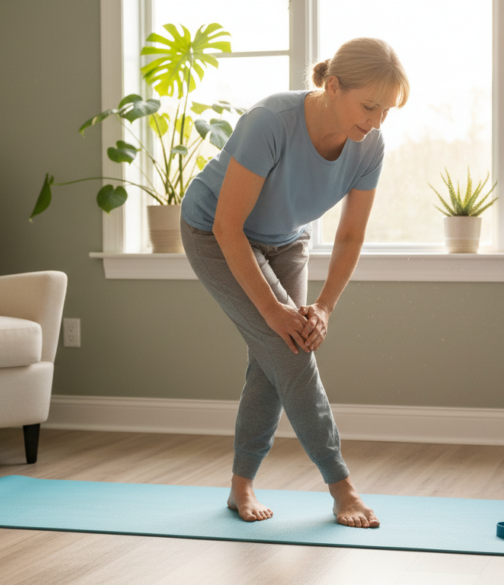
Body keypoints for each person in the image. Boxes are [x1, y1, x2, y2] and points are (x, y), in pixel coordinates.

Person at [180, 37, 409, 528]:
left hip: (285, 241)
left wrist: (322, 308)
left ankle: (240, 485)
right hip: (215, 232)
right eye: (368, 105)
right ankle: (341, 486)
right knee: (289, 347)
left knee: (279, 354)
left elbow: (349, 237)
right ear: (332, 86)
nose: (375, 120)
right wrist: (273, 311)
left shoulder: (370, 146)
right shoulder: (271, 122)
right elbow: (227, 227)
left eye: (386, 110)